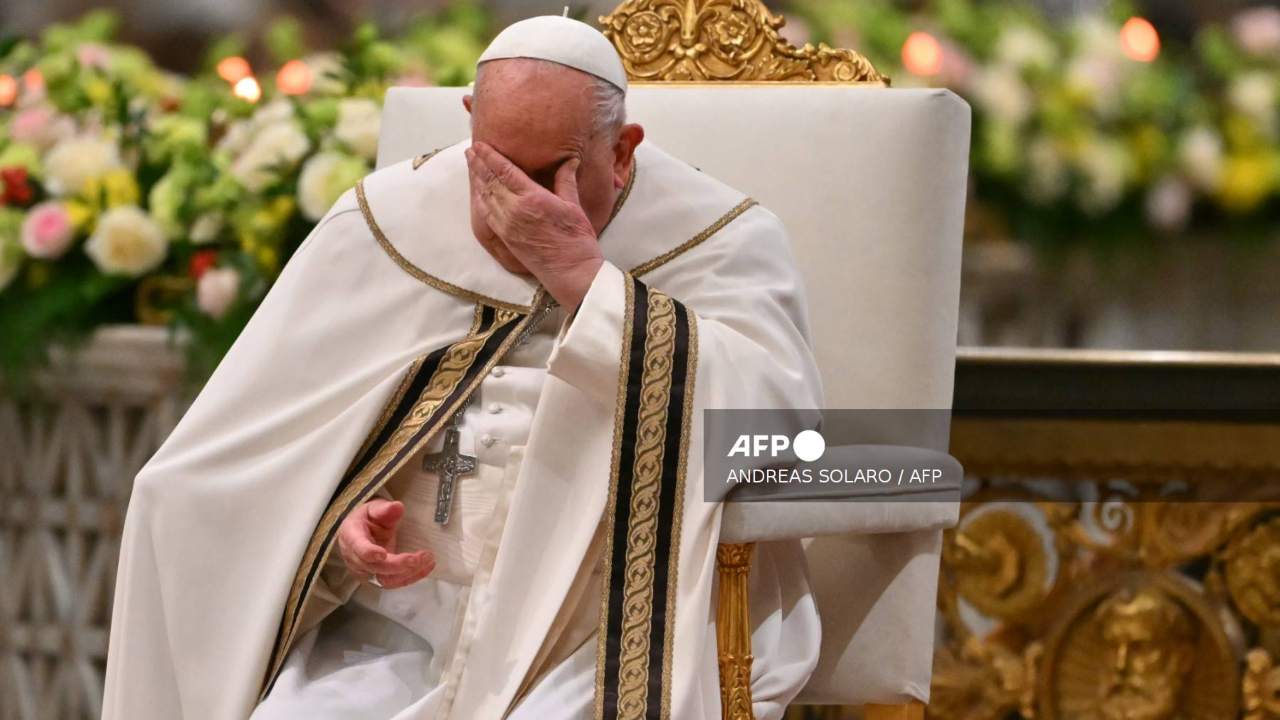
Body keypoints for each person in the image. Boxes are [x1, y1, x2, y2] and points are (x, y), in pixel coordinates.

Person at [103, 15, 822, 719]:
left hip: (592, 639)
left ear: (623, 151)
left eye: (551, 174)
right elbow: (250, 463)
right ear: (470, 118)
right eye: (495, 167)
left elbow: (778, 438)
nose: (516, 208)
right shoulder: (387, 223)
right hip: (393, 632)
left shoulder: (721, 242)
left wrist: (585, 282)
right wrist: (335, 528)